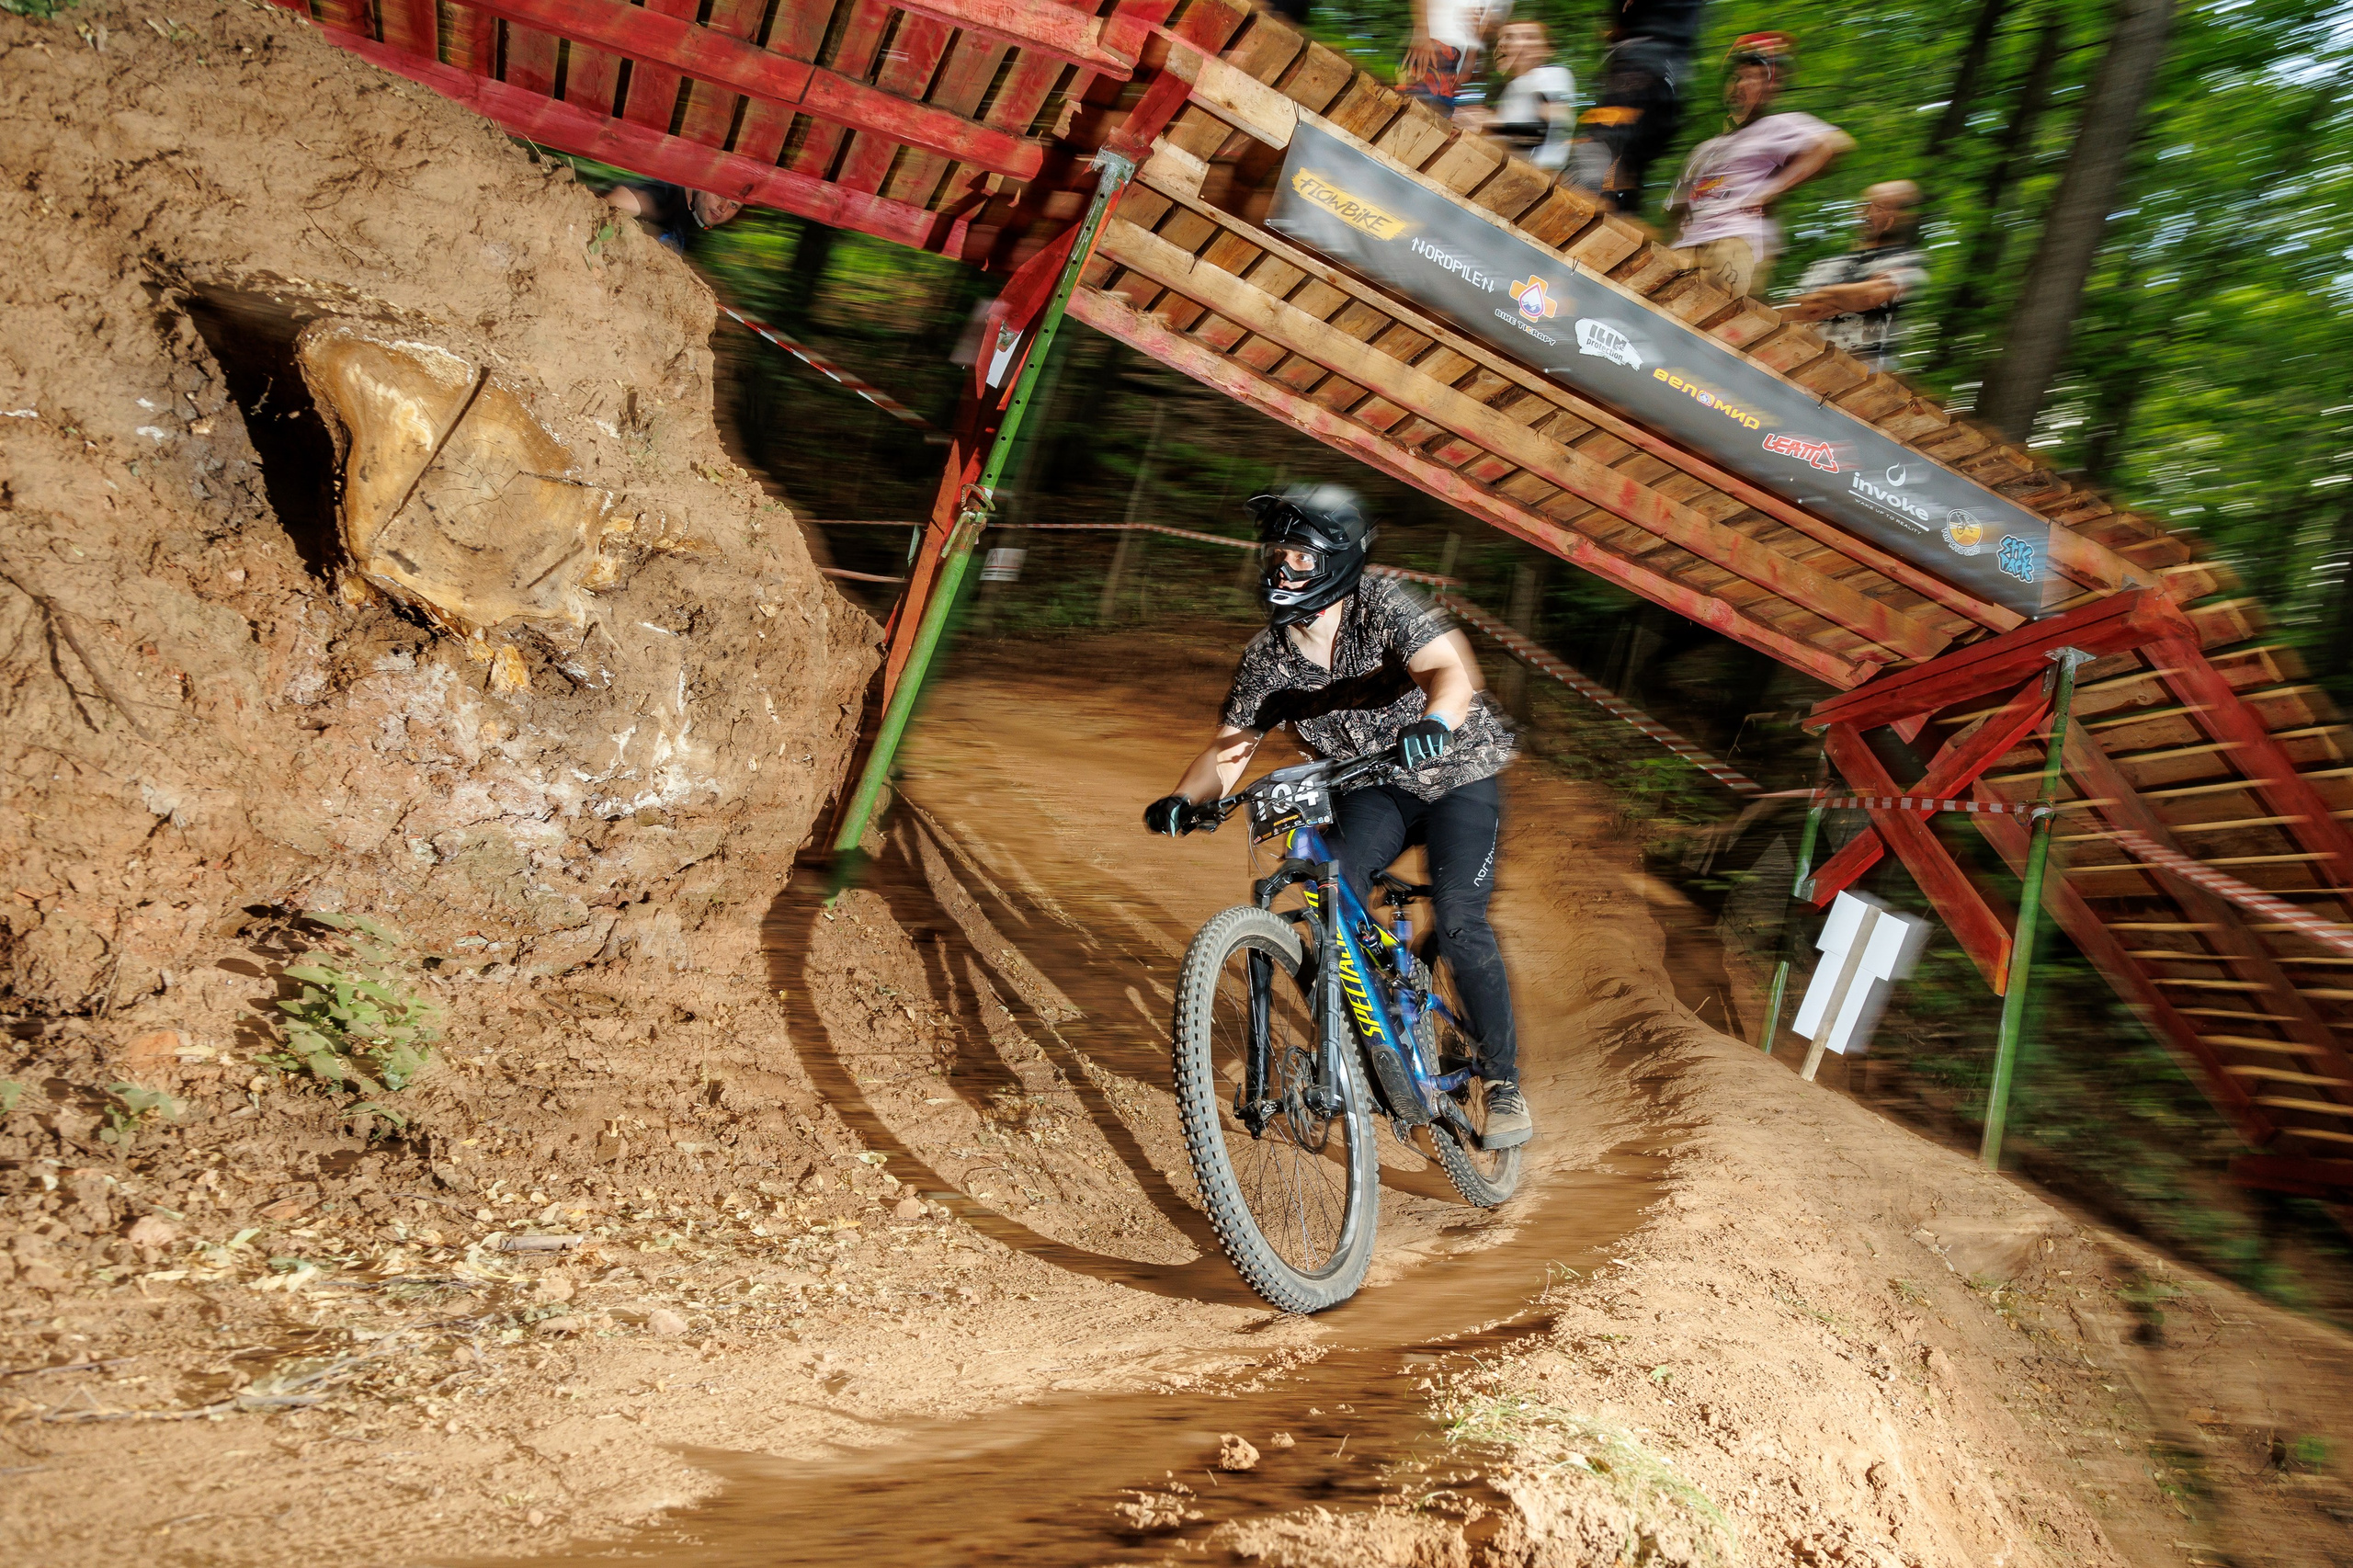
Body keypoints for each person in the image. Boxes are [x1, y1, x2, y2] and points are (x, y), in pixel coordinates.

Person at [1142, 485, 1534, 1151]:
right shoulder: (1268, 657)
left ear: (1336, 562)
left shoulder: (1382, 604)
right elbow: (1232, 748)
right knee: (1332, 888)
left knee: (1461, 921)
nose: (1280, 570)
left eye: (1298, 557)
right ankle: (1364, 1051)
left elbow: (1450, 671)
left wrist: (1435, 722)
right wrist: (1185, 799)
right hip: (1372, 786)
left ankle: (1502, 1085)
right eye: (1275, 555)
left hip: (1455, 776)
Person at [1665, 32, 1853, 300]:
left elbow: (1832, 145)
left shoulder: (1775, 127)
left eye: (1755, 79)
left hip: (1735, 241)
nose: (1742, 85)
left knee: (1716, 313)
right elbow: (1676, 208)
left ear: (1771, 90)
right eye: (1738, 77)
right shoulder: (1702, 150)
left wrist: (1773, 189)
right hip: (1685, 246)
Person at [1569, 0, 1707, 214]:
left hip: (1640, 65)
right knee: (1628, 166)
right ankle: (1617, 211)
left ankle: (1581, 206)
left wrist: (1619, 30)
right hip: (1670, 81)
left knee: (1602, 143)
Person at [1777, 180, 1929, 373]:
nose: (1867, 213)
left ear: (1902, 217)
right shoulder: (1827, 265)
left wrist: (1824, 299)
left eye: (1880, 207)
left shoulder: (1910, 264)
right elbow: (1795, 312)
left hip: (1859, 379)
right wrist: (1840, 300)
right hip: (1800, 365)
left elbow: (1869, 296)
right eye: (1865, 205)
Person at [1458, 18, 1575, 173]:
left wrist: (1488, 124)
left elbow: (1542, 131)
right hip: (1508, 174)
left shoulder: (1552, 75)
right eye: (1504, 37)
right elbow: (1508, 142)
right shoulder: (1514, 88)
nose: (1503, 44)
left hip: (1536, 176)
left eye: (1529, 37)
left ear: (1545, 49)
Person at [1398, 0, 1512, 115]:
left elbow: (1464, 77)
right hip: (1430, 52)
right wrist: (1422, 31)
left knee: (1432, 124)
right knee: (1410, 114)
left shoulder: (1489, 6)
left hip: (1451, 77)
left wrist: (1474, 35)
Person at [604, 181, 745, 253]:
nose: (723, 208)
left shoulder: (693, 215)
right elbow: (617, 201)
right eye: (720, 196)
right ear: (703, 185)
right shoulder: (670, 193)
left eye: (733, 205)